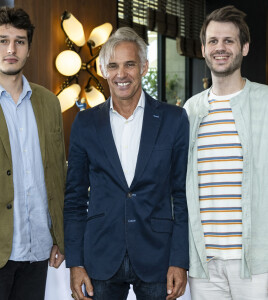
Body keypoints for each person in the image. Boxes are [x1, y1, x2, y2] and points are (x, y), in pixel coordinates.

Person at [64, 27, 189, 300]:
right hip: (101, 255)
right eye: (113, 66)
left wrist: (180, 259)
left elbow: (181, 195)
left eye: (130, 64)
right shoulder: (85, 124)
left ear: (144, 67)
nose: (121, 74)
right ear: (103, 70)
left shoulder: (174, 119)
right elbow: (74, 198)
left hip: (158, 255)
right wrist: (75, 262)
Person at [0, 6, 66, 299]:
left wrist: (60, 236)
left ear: (28, 48)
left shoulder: (49, 103)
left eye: (20, 41)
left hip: (38, 252)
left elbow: (58, 175)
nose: (12, 48)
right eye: (3, 40)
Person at [184, 5, 268, 300]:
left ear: (244, 47)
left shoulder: (265, 102)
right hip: (204, 264)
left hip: (257, 263)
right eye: (213, 41)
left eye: (228, 41)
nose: (220, 48)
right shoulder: (190, 110)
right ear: (204, 49)